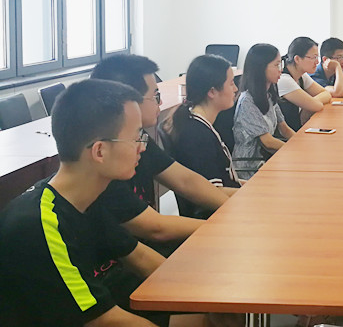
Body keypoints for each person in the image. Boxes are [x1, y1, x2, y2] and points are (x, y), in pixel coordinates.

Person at [0, 79, 167, 326]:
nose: (142, 148)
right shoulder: (38, 225)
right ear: (100, 151)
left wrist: (198, 293)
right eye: (136, 138)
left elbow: (140, 258)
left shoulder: (86, 197)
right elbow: (105, 321)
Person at [91, 54, 232, 245]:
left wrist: (234, 209)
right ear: (128, 102)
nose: (160, 103)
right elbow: (156, 228)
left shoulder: (140, 138)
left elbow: (185, 180)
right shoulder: (104, 165)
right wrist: (226, 224)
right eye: (155, 96)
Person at [165, 54, 241, 219]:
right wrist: (253, 194)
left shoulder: (198, 122)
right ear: (212, 92)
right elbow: (213, 192)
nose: (235, 89)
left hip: (228, 207)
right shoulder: (196, 135)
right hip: (220, 216)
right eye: (231, 83)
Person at [233, 44, 296, 179]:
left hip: (268, 160)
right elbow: (268, 142)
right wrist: (295, 151)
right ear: (260, 68)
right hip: (250, 168)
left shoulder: (268, 94)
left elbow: (284, 129)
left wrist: (302, 144)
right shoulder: (247, 101)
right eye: (276, 65)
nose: (281, 69)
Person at [278, 37, 332, 131]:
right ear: (297, 59)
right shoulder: (284, 80)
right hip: (285, 136)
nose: (317, 62)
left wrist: (307, 107)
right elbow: (316, 105)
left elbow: (326, 94)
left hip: (296, 130)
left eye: (317, 57)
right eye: (313, 57)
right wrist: (310, 105)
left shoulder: (302, 76)